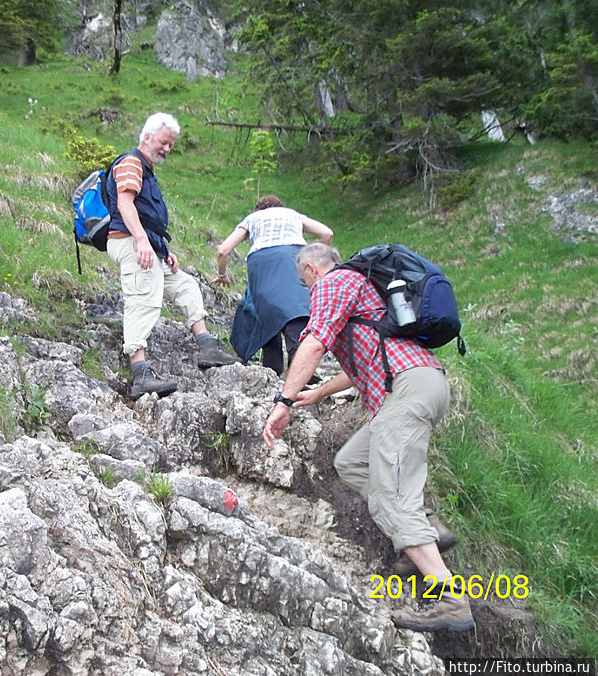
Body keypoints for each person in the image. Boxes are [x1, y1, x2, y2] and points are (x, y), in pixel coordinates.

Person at [262, 243, 474, 633]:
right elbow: (363, 357)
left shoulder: (334, 283)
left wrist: (284, 401)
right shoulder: (366, 290)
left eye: (303, 283)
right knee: (352, 462)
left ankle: (450, 598)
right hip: (422, 382)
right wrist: (320, 392)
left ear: (311, 269)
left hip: (406, 390)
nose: (306, 290)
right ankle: (427, 527)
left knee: (390, 497)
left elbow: (313, 342)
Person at [105, 112, 235, 400]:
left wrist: (163, 251)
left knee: (185, 284)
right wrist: (140, 240)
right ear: (147, 137)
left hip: (147, 243)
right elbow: (125, 203)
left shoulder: (146, 169)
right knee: (143, 295)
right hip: (128, 240)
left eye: (171, 145)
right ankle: (140, 373)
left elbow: (148, 216)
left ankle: (207, 346)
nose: (167, 148)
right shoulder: (130, 163)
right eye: (164, 142)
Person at [213, 195, 333, 375]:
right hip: (294, 258)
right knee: (296, 310)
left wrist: (222, 274)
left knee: (267, 312)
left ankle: (272, 367)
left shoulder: (252, 219)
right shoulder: (293, 215)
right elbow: (327, 233)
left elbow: (223, 250)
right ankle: (301, 364)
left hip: (262, 263)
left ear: (258, 208)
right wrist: (314, 257)